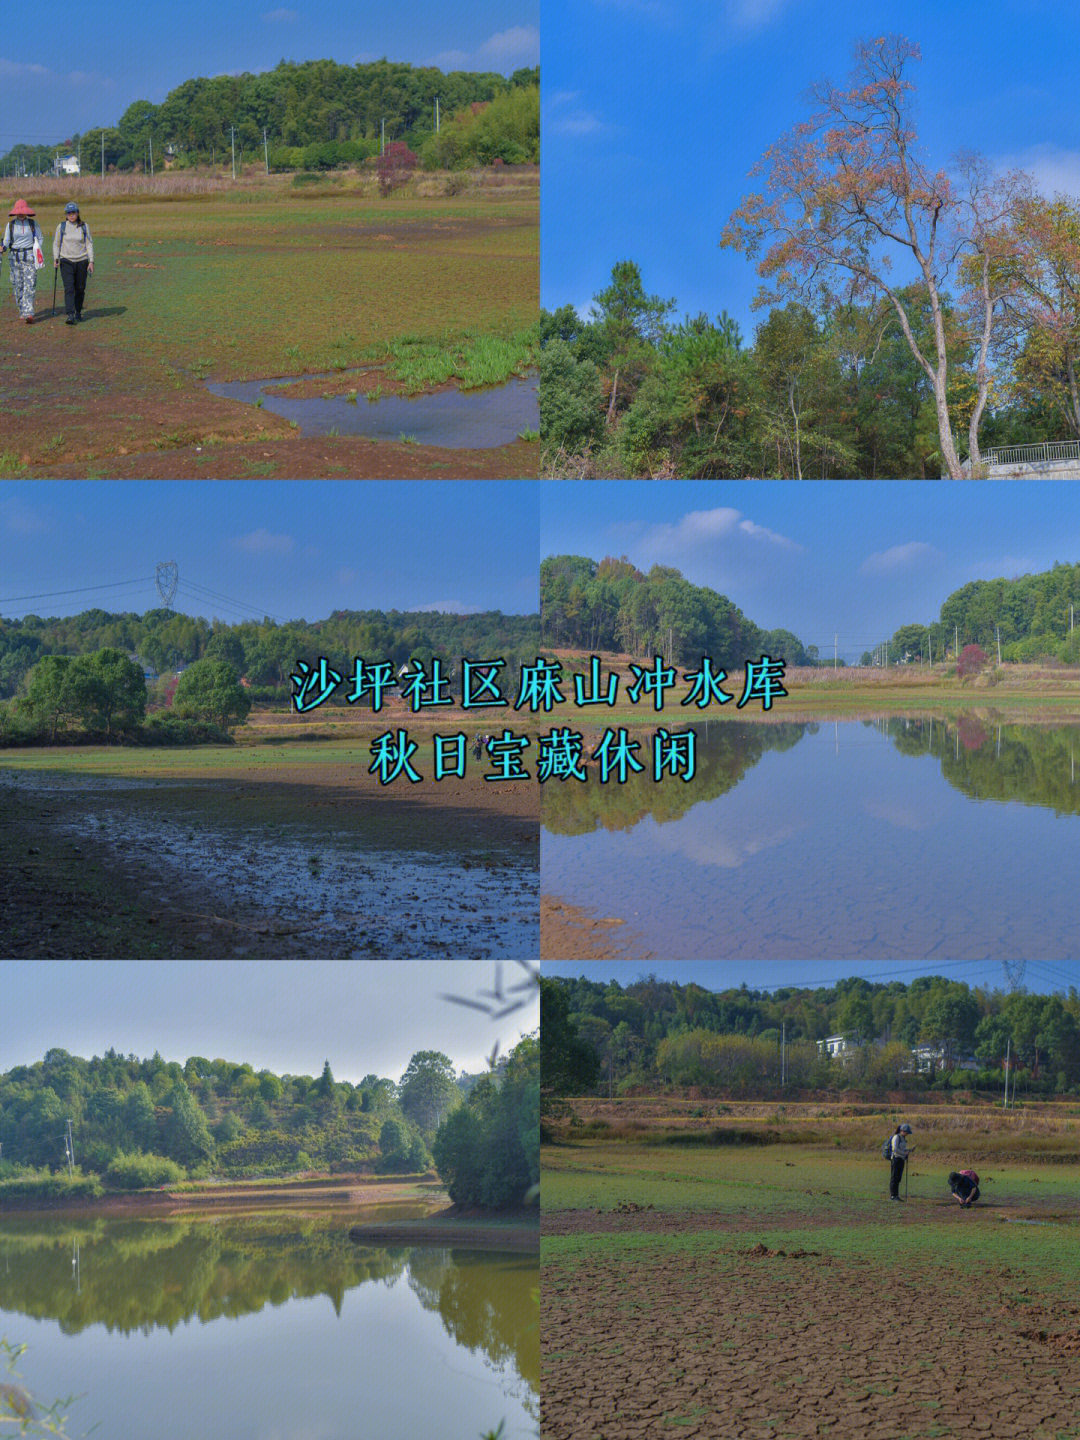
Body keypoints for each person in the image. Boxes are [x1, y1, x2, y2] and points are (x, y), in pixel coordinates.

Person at [1, 199, 44, 323]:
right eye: (18, 212)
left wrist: (37, 248)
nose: (20, 214)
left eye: (23, 212)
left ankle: (28, 313)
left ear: (26, 212)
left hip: (30, 257)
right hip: (15, 258)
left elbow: (40, 238)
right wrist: (3, 248)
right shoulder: (11, 225)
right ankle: (22, 310)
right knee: (18, 285)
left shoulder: (33, 224)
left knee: (30, 285)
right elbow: (6, 242)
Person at [53, 201, 94, 324]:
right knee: (69, 288)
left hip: (82, 261)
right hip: (66, 261)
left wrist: (91, 261)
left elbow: (89, 244)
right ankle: (70, 314)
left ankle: (78, 312)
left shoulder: (84, 226)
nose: (71, 215)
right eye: (69, 213)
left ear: (77, 213)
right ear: (66, 214)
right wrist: (56, 258)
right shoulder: (61, 227)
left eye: (73, 212)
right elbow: (56, 244)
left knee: (80, 288)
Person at [889, 1122, 912, 1201]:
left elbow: (902, 1149)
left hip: (901, 1159)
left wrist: (908, 1150)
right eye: (906, 1132)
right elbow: (895, 1149)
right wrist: (904, 1153)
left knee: (898, 1178)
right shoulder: (896, 1137)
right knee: (894, 1178)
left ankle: (896, 1195)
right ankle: (893, 1196)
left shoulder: (903, 1138)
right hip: (896, 1159)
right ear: (902, 1131)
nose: (907, 1134)